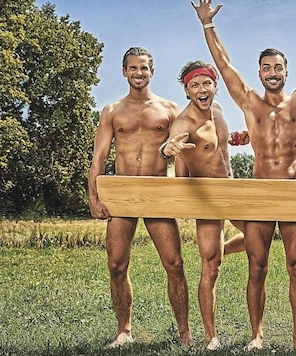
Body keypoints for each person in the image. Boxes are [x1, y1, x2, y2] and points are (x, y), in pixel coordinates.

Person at [191, 0, 296, 352]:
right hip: (259, 191)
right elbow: (223, 65)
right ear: (259, 73)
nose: (272, 72)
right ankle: (257, 335)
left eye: (278, 67)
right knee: (257, 266)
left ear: (286, 71)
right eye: (266, 67)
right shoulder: (249, 102)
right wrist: (208, 24)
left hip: (294, 191)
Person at [87, 47, 192, 348]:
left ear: (152, 72)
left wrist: (181, 193)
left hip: (157, 191)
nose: (138, 73)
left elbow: (183, 154)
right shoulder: (112, 111)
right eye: (133, 68)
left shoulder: (169, 109)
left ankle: (184, 334)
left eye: (144, 68)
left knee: (174, 263)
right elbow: (99, 158)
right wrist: (94, 197)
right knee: (117, 265)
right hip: (122, 192)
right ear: (124, 72)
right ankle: (124, 330)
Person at [159, 60, 248, 350]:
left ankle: (221, 248)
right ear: (187, 91)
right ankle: (212, 337)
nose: (201, 89)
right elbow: (171, 145)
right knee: (211, 267)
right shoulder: (184, 122)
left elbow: (217, 144)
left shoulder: (219, 111)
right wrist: (169, 149)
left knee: (259, 239)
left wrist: (235, 138)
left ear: (215, 86)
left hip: (231, 190)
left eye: (206, 83)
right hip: (207, 198)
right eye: (194, 85)